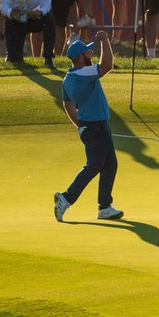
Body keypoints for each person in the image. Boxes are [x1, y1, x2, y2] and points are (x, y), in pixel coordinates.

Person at [54, 33, 122, 222]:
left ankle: (105, 207)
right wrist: (105, 40)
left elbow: (67, 104)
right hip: (95, 126)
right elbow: (107, 66)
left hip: (92, 125)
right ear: (80, 57)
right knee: (94, 166)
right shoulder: (83, 73)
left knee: (110, 164)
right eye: (87, 51)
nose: (91, 52)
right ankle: (66, 198)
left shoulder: (68, 78)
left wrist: (81, 125)